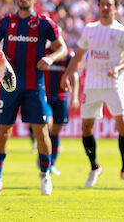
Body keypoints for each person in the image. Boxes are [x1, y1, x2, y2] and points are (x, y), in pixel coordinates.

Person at [0, 0, 67, 196]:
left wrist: (50, 58)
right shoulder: (6, 22)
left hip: (34, 87)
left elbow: (62, 49)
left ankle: (45, 176)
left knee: (41, 132)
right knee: (3, 133)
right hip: (9, 86)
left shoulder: (44, 23)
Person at [61, 0, 124, 187]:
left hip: (113, 83)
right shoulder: (90, 29)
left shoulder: (123, 32)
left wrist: (118, 67)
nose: (105, 8)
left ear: (115, 8)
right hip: (92, 84)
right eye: (102, 4)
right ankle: (95, 167)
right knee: (86, 127)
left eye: (109, 5)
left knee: (123, 126)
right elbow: (78, 55)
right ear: (98, 7)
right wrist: (66, 75)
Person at [43, 46, 79, 175]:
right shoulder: (43, 51)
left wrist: (74, 97)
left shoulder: (68, 55)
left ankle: (52, 163)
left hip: (61, 96)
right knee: (47, 125)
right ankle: (44, 152)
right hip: (44, 96)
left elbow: (74, 75)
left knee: (56, 132)